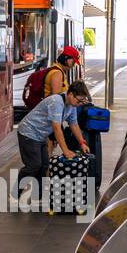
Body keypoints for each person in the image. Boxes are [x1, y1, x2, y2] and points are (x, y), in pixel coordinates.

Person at [13, 79, 92, 209]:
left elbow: (74, 124)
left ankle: (36, 197)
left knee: (44, 165)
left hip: (40, 135)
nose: (79, 104)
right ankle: (14, 194)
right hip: (28, 132)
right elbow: (56, 128)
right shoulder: (57, 102)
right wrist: (65, 151)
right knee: (34, 165)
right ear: (70, 94)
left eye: (81, 102)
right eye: (78, 100)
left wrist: (82, 143)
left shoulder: (71, 106)